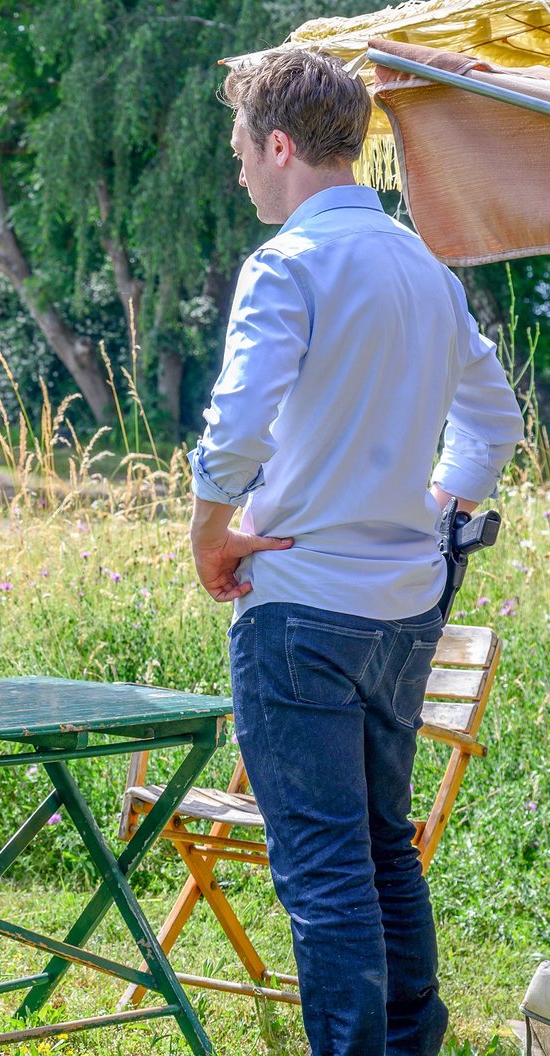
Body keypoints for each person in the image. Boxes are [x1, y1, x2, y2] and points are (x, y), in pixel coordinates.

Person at [189, 50, 523, 1056]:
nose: (238, 171)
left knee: (325, 868)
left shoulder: (287, 264)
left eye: (239, 151)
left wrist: (208, 533)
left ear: (277, 145)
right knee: (384, 850)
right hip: (404, 605)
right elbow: (494, 421)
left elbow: (236, 427)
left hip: (301, 603)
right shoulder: (426, 268)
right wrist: (440, 502)